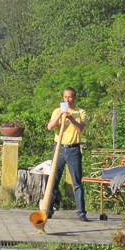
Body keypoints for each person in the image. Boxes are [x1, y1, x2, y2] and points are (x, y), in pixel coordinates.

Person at [46, 87, 88, 221]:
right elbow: (50, 127)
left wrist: (71, 118)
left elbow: (80, 128)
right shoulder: (57, 111)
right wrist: (60, 115)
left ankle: (81, 213)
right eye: (65, 97)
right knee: (53, 180)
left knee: (77, 182)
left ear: (74, 98)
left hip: (73, 149)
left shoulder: (80, 112)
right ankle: (48, 210)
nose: (67, 100)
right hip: (59, 148)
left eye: (70, 97)